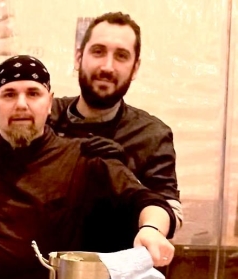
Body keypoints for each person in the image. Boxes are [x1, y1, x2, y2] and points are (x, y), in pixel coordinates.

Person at [0, 55, 176, 279]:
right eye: (8, 94)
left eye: (33, 93)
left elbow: (146, 201)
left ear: (49, 102)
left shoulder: (85, 159)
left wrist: (151, 230)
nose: (21, 104)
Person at [50, 11, 181, 252]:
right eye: (98, 51)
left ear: (135, 68)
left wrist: (151, 229)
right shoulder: (46, 116)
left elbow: (169, 206)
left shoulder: (152, 134)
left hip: (119, 276)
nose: (107, 66)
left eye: (121, 56)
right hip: (44, 270)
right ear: (79, 58)